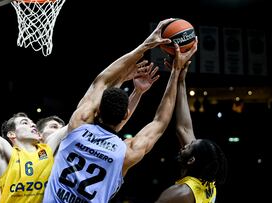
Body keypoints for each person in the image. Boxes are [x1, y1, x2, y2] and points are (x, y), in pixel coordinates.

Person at [0, 37, 159, 202]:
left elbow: (104, 120)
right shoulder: (5, 154)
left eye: (30, 120)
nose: (29, 122)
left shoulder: (49, 150)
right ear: (11, 135)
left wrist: (125, 88)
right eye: (23, 122)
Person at [43, 18, 198, 203]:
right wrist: (176, 71)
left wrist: (145, 45)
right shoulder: (124, 153)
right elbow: (160, 122)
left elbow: (101, 81)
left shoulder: (79, 124)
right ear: (126, 115)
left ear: (98, 109)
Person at [154, 58, 228, 203]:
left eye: (189, 146)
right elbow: (184, 128)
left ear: (192, 160)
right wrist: (181, 81)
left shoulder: (180, 194)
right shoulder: (209, 185)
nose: (186, 144)